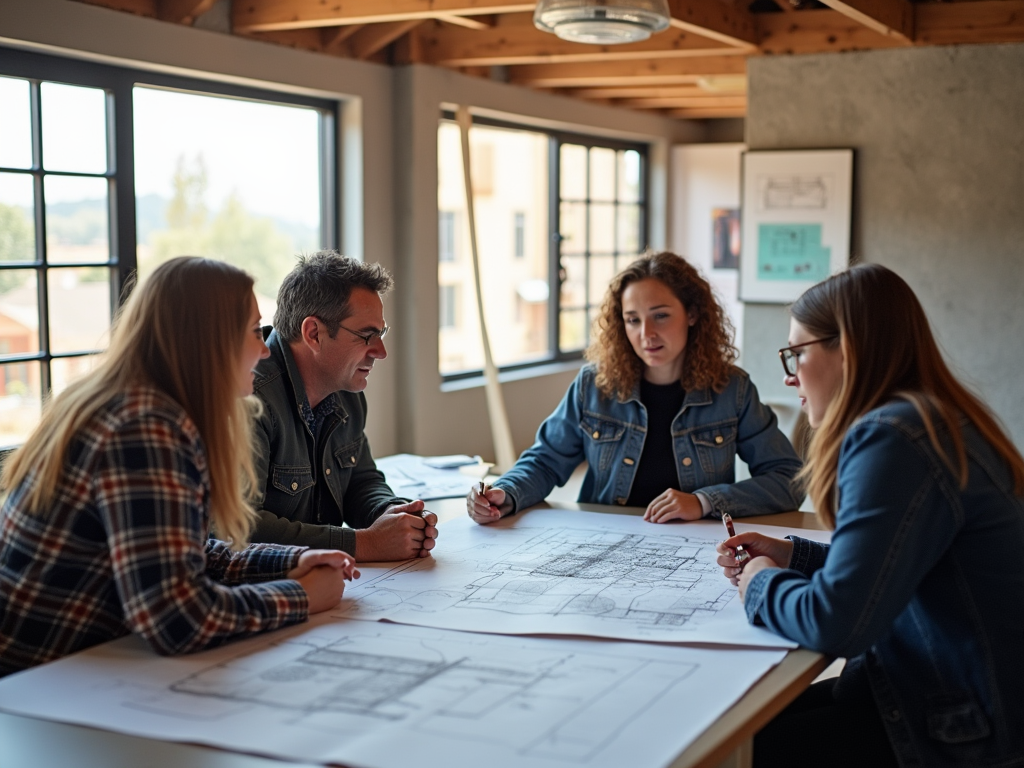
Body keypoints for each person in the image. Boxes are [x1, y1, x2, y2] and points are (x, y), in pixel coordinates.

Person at [717, 264, 1024, 768]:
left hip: (963, 725)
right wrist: (793, 555)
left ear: (849, 349)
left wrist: (757, 581)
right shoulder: (934, 417)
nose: (791, 376)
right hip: (951, 693)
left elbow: (836, 624)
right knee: (740, 726)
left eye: (797, 353)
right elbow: (891, 563)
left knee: (738, 746)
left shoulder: (893, 437)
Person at [0, 257, 358, 678]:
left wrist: (287, 560)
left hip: (72, 670)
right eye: (253, 331)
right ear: (207, 341)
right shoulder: (143, 429)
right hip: (34, 685)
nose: (264, 350)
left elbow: (182, 551)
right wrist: (301, 595)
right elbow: (178, 620)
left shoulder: (133, 406)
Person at [468, 251, 802, 524]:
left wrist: (704, 502)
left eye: (660, 316)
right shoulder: (592, 386)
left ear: (692, 314)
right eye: (633, 319)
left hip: (696, 548)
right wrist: (506, 493)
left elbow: (788, 479)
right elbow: (545, 461)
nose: (646, 334)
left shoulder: (733, 390)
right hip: (603, 542)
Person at [249, 252, 437, 561]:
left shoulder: (344, 389)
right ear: (313, 334)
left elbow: (361, 482)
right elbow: (240, 529)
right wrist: (365, 544)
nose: (381, 351)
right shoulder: (250, 401)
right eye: (367, 336)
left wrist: (392, 513)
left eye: (381, 333)